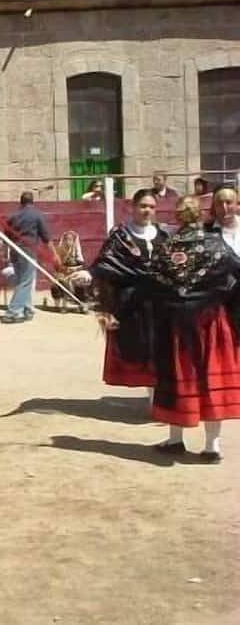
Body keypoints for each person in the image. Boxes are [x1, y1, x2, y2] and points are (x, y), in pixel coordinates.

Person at [147, 196, 240, 463]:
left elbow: (153, 284)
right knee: (210, 378)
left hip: (176, 325)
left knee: (178, 376)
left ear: (178, 217)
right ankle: (212, 446)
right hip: (211, 321)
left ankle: (176, 440)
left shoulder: (165, 248)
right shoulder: (216, 245)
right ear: (199, 215)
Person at [87, 188, 168, 389]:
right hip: (130, 304)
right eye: (143, 206)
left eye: (151, 207)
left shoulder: (164, 235)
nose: (147, 210)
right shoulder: (120, 236)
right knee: (138, 349)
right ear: (133, 207)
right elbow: (105, 264)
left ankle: (156, 397)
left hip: (160, 305)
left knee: (160, 350)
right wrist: (89, 275)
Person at [2, 192, 54, 324]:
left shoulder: (13, 216)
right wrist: (54, 254)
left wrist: (4, 251)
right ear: (32, 201)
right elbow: (46, 237)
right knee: (26, 282)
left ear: (21, 202)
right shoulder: (37, 214)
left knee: (22, 280)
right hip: (28, 250)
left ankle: (27, 309)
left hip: (15, 250)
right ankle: (13, 312)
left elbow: (5, 235)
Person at [50, 230, 91, 312]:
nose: (68, 242)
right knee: (58, 282)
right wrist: (64, 270)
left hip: (74, 275)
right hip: (63, 274)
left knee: (84, 279)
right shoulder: (60, 250)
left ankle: (82, 304)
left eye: (70, 240)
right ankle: (61, 305)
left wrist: (74, 269)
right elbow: (56, 267)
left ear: (73, 241)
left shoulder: (77, 250)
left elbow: (82, 266)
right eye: (67, 239)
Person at [208, 187, 240, 255]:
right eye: (219, 203)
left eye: (228, 202)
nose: (224, 207)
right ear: (214, 207)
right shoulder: (207, 231)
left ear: (236, 204)